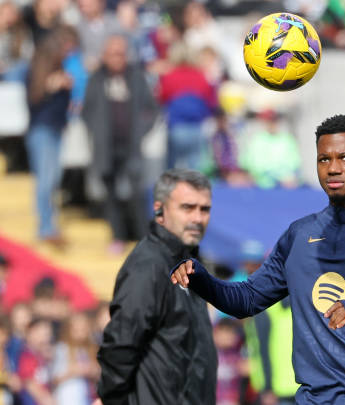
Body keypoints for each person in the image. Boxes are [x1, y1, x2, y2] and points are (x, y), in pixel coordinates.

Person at [171, 114, 345, 403]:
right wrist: (200, 279)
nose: (333, 168)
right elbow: (246, 300)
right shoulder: (299, 235)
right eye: (323, 159)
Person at [95, 169, 217, 405]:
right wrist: (112, 400)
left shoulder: (190, 264)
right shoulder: (149, 266)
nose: (198, 218)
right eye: (187, 207)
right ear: (159, 210)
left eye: (204, 209)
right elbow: (121, 344)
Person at [81, 34, 157, 253]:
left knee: (136, 194)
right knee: (110, 194)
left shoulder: (136, 77)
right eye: (112, 54)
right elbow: (87, 111)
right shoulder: (96, 79)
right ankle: (117, 236)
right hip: (106, 147)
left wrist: (141, 131)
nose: (117, 58)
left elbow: (151, 109)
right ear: (104, 56)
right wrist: (97, 131)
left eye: (120, 54)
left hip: (131, 145)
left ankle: (143, 238)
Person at [25, 26, 73, 246]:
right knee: (46, 179)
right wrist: (49, 87)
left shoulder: (61, 71)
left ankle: (49, 224)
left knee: (54, 179)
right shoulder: (37, 72)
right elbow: (33, 102)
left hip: (55, 130)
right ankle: (45, 227)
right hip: (42, 130)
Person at [158, 40, 217, 170]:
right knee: (195, 171)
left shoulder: (170, 77)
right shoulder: (201, 76)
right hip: (197, 129)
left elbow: (161, 98)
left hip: (176, 128)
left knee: (172, 170)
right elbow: (211, 102)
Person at [239, 110, 301, 189]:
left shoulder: (287, 139)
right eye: (269, 121)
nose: (272, 124)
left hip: (285, 185)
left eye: (274, 120)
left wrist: (286, 178)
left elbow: (295, 164)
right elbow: (251, 165)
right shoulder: (257, 140)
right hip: (261, 186)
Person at [51, 312, 99, 405]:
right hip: (67, 398)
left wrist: (93, 371)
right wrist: (74, 371)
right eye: (76, 330)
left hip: (86, 398)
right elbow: (55, 378)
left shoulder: (91, 349)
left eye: (83, 329)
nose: (81, 333)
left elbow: (99, 373)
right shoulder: (62, 348)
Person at [17, 318, 54, 405]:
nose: (46, 339)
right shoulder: (27, 356)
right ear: (31, 333)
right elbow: (30, 384)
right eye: (43, 334)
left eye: (48, 335)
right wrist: (47, 400)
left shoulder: (40, 356)